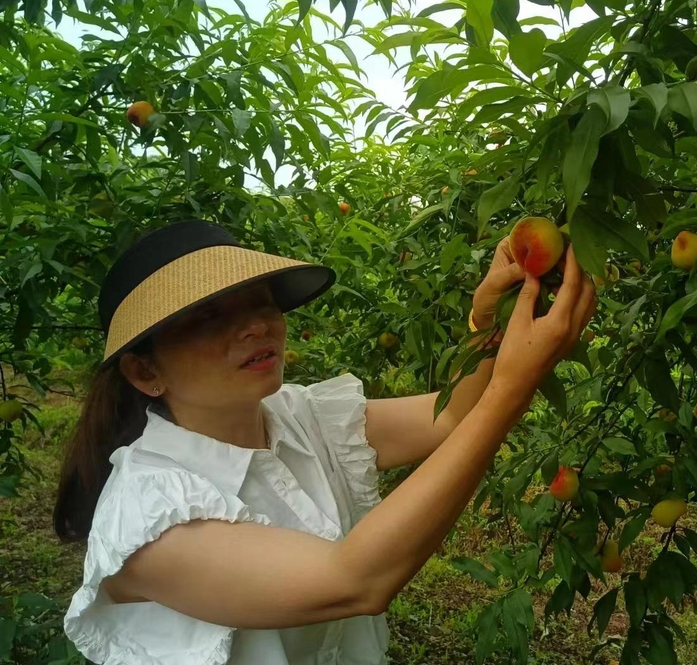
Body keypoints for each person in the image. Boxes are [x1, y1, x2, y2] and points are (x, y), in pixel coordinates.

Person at [52, 219, 596, 665]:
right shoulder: (147, 519)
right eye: (209, 317)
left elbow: (451, 417)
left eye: (259, 301)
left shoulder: (302, 416)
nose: (256, 326)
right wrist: (511, 387)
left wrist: (485, 324)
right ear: (146, 372)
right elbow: (356, 579)